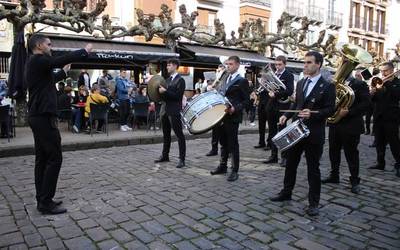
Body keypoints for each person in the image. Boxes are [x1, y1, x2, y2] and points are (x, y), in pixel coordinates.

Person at [25, 34, 91, 214]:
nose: (50, 47)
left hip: (38, 116)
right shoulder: (38, 60)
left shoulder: (35, 64)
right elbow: (60, 60)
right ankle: (45, 202)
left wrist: (63, 72)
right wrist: (83, 52)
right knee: (55, 157)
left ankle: (42, 198)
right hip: (43, 117)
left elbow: (48, 81)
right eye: (49, 44)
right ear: (39, 46)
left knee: (43, 158)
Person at [270, 51, 336, 216]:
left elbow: (330, 109)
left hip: (314, 133)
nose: (305, 65)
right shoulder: (301, 83)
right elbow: (297, 105)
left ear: (318, 64)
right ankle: (286, 192)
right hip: (296, 130)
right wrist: (287, 115)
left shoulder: (328, 85)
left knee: (313, 168)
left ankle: (314, 202)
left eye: (308, 62)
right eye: (304, 62)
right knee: (290, 163)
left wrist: (314, 113)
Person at [322, 75, 371, 194]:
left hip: (351, 124)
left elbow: (366, 103)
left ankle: (354, 181)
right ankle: (334, 175)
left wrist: (349, 112)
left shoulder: (360, 84)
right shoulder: (334, 83)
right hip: (335, 123)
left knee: (351, 153)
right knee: (333, 150)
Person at [210, 56, 250, 181]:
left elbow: (247, 101)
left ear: (237, 65)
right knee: (223, 143)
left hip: (232, 116)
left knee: (233, 144)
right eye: (227, 64)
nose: (228, 66)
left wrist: (235, 109)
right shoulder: (224, 77)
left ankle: (234, 170)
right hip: (221, 115)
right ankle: (223, 166)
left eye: (231, 64)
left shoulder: (242, 81)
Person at [368, 61, 400, 177]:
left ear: (392, 70)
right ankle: (380, 163)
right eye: (381, 71)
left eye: (385, 71)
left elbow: (397, 95)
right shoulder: (379, 83)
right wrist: (372, 93)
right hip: (378, 116)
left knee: (394, 142)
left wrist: (387, 83)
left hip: (391, 117)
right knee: (379, 141)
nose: (383, 73)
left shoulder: (397, 83)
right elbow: (374, 101)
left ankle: (398, 164)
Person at [155, 59, 187, 168]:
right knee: (166, 135)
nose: (167, 67)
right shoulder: (167, 80)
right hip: (165, 110)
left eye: (169, 65)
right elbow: (164, 95)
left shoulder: (180, 80)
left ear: (175, 66)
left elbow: (178, 97)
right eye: (167, 65)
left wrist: (165, 91)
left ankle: (182, 159)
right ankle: (165, 155)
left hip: (174, 111)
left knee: (179, 135)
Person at [264, 56, 294, 166]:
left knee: (282, 132)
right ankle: (273, 155)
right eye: (276, 64)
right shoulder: (274, 75)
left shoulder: (288, 75)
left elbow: (290, 91)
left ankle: (284, 157)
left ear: (285, 64)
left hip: (282, 106)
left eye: (280, 64)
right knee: (272, 132)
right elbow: (269, 87)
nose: (277, 67)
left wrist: (276, 94)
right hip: (271, 106)